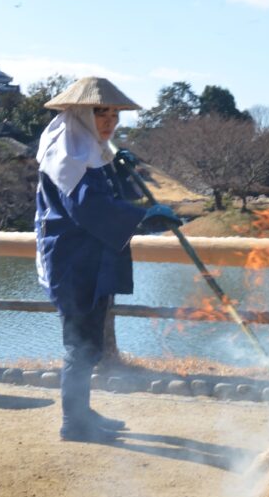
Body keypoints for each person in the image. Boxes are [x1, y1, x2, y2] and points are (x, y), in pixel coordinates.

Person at [35, 77, 180, 443]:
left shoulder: (89, 147)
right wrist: (142, 218)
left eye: (115, 114)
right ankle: (74, 422)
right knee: (80, 346)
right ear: (80, 113)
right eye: (101, 112)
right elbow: (88, 206)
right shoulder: (70, 152)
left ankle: (81, 412)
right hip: (74, 262)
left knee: (89, 344)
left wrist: (119, 168)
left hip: (89, 258)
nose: (110, 121)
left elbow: (106, 191)